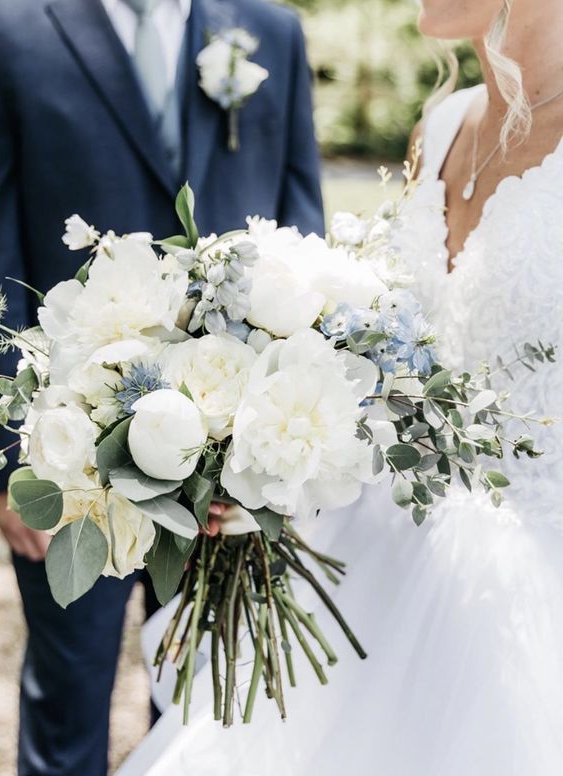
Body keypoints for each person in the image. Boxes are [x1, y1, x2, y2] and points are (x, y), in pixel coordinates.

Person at [117, 0, 563, 773]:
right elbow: (399, 366)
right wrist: (266, 462)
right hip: (380, 539)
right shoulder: (445, 123)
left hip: (533, 582)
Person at [0, 0, 324, 773]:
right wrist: (10, 460)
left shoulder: (270, 31)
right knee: (68, 696)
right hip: (71, 455)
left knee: (210, 707)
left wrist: (282, 439)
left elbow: (301, 224)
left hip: (235, 460)